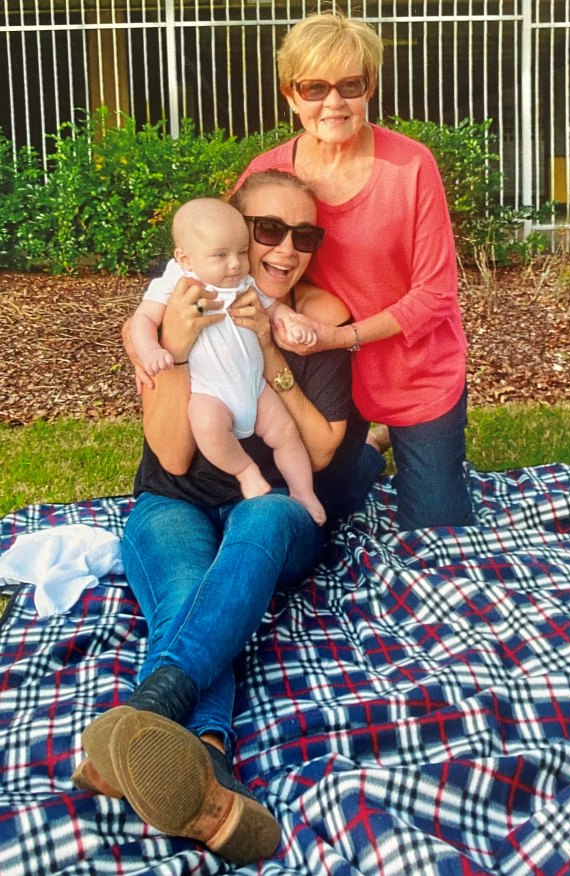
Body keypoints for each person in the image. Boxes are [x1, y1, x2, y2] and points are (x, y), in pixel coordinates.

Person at [72, 170, 385, 866]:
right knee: (190, 596)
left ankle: (150, 709)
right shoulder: (177, 308)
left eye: (302, 235)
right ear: (229, 237)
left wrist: (272, 353)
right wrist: (175, 349)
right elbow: (176, 457)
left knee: (262, 516)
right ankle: (203, 765)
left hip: (276, 513)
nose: (279, 251)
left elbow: (328, 446)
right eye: (264, 231)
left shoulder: (315, 318)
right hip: (172, 499)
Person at [240, 11, 475, 531]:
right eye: (314, 87)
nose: (333, 102)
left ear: (369, 87)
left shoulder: (412, 166)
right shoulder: (268, 174)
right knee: (329, 509)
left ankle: (400, 439)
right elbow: (227, 261)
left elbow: (435, 294)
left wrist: (337, 335)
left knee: (439, 529)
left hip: (413, 365)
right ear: (290, 95)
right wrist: (144, 323)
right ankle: (369, 446)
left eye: (350, 85)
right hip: (325, 374)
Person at [131, 197, 326, 524]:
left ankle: (303, 492)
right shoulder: (176, 284)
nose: (235, 264)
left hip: (253, 387)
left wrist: (292, 320)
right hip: (210, 394)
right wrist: (149, 350)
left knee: (287, 433)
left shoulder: (243, 282)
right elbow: (142, 319)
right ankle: (246, 471)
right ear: (184, 258)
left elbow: (273, 307)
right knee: (207, 428)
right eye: (221, 255)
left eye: (240, 252)